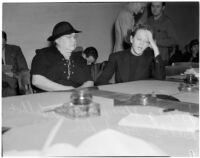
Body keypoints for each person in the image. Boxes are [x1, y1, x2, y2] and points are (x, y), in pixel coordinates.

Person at [31, 21, 93, 92]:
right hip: (49, 99)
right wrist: (68, 90)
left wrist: (79, 91)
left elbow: (89, 82)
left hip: (75, 98)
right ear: (57, 40)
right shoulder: (43, 55)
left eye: (74, 36)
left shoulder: (79, 58)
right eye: (69, 37)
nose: (74, 40)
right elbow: (37, 80)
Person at [95, 24, 165, 86]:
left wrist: (156, 49)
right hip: (122, 97)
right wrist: (117, 89)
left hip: (142, 98)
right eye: (139, 39)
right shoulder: (116, 57)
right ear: (131, 39)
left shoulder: (150, 58)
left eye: (146, 41)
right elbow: (100, 82)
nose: (141, 44)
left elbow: (160, 80)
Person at [2, 31, 30, 97]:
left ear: (5, 41)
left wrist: (14, 75)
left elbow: (24, 69)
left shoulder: (15, 49)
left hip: (11, 83)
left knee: (11, 92)